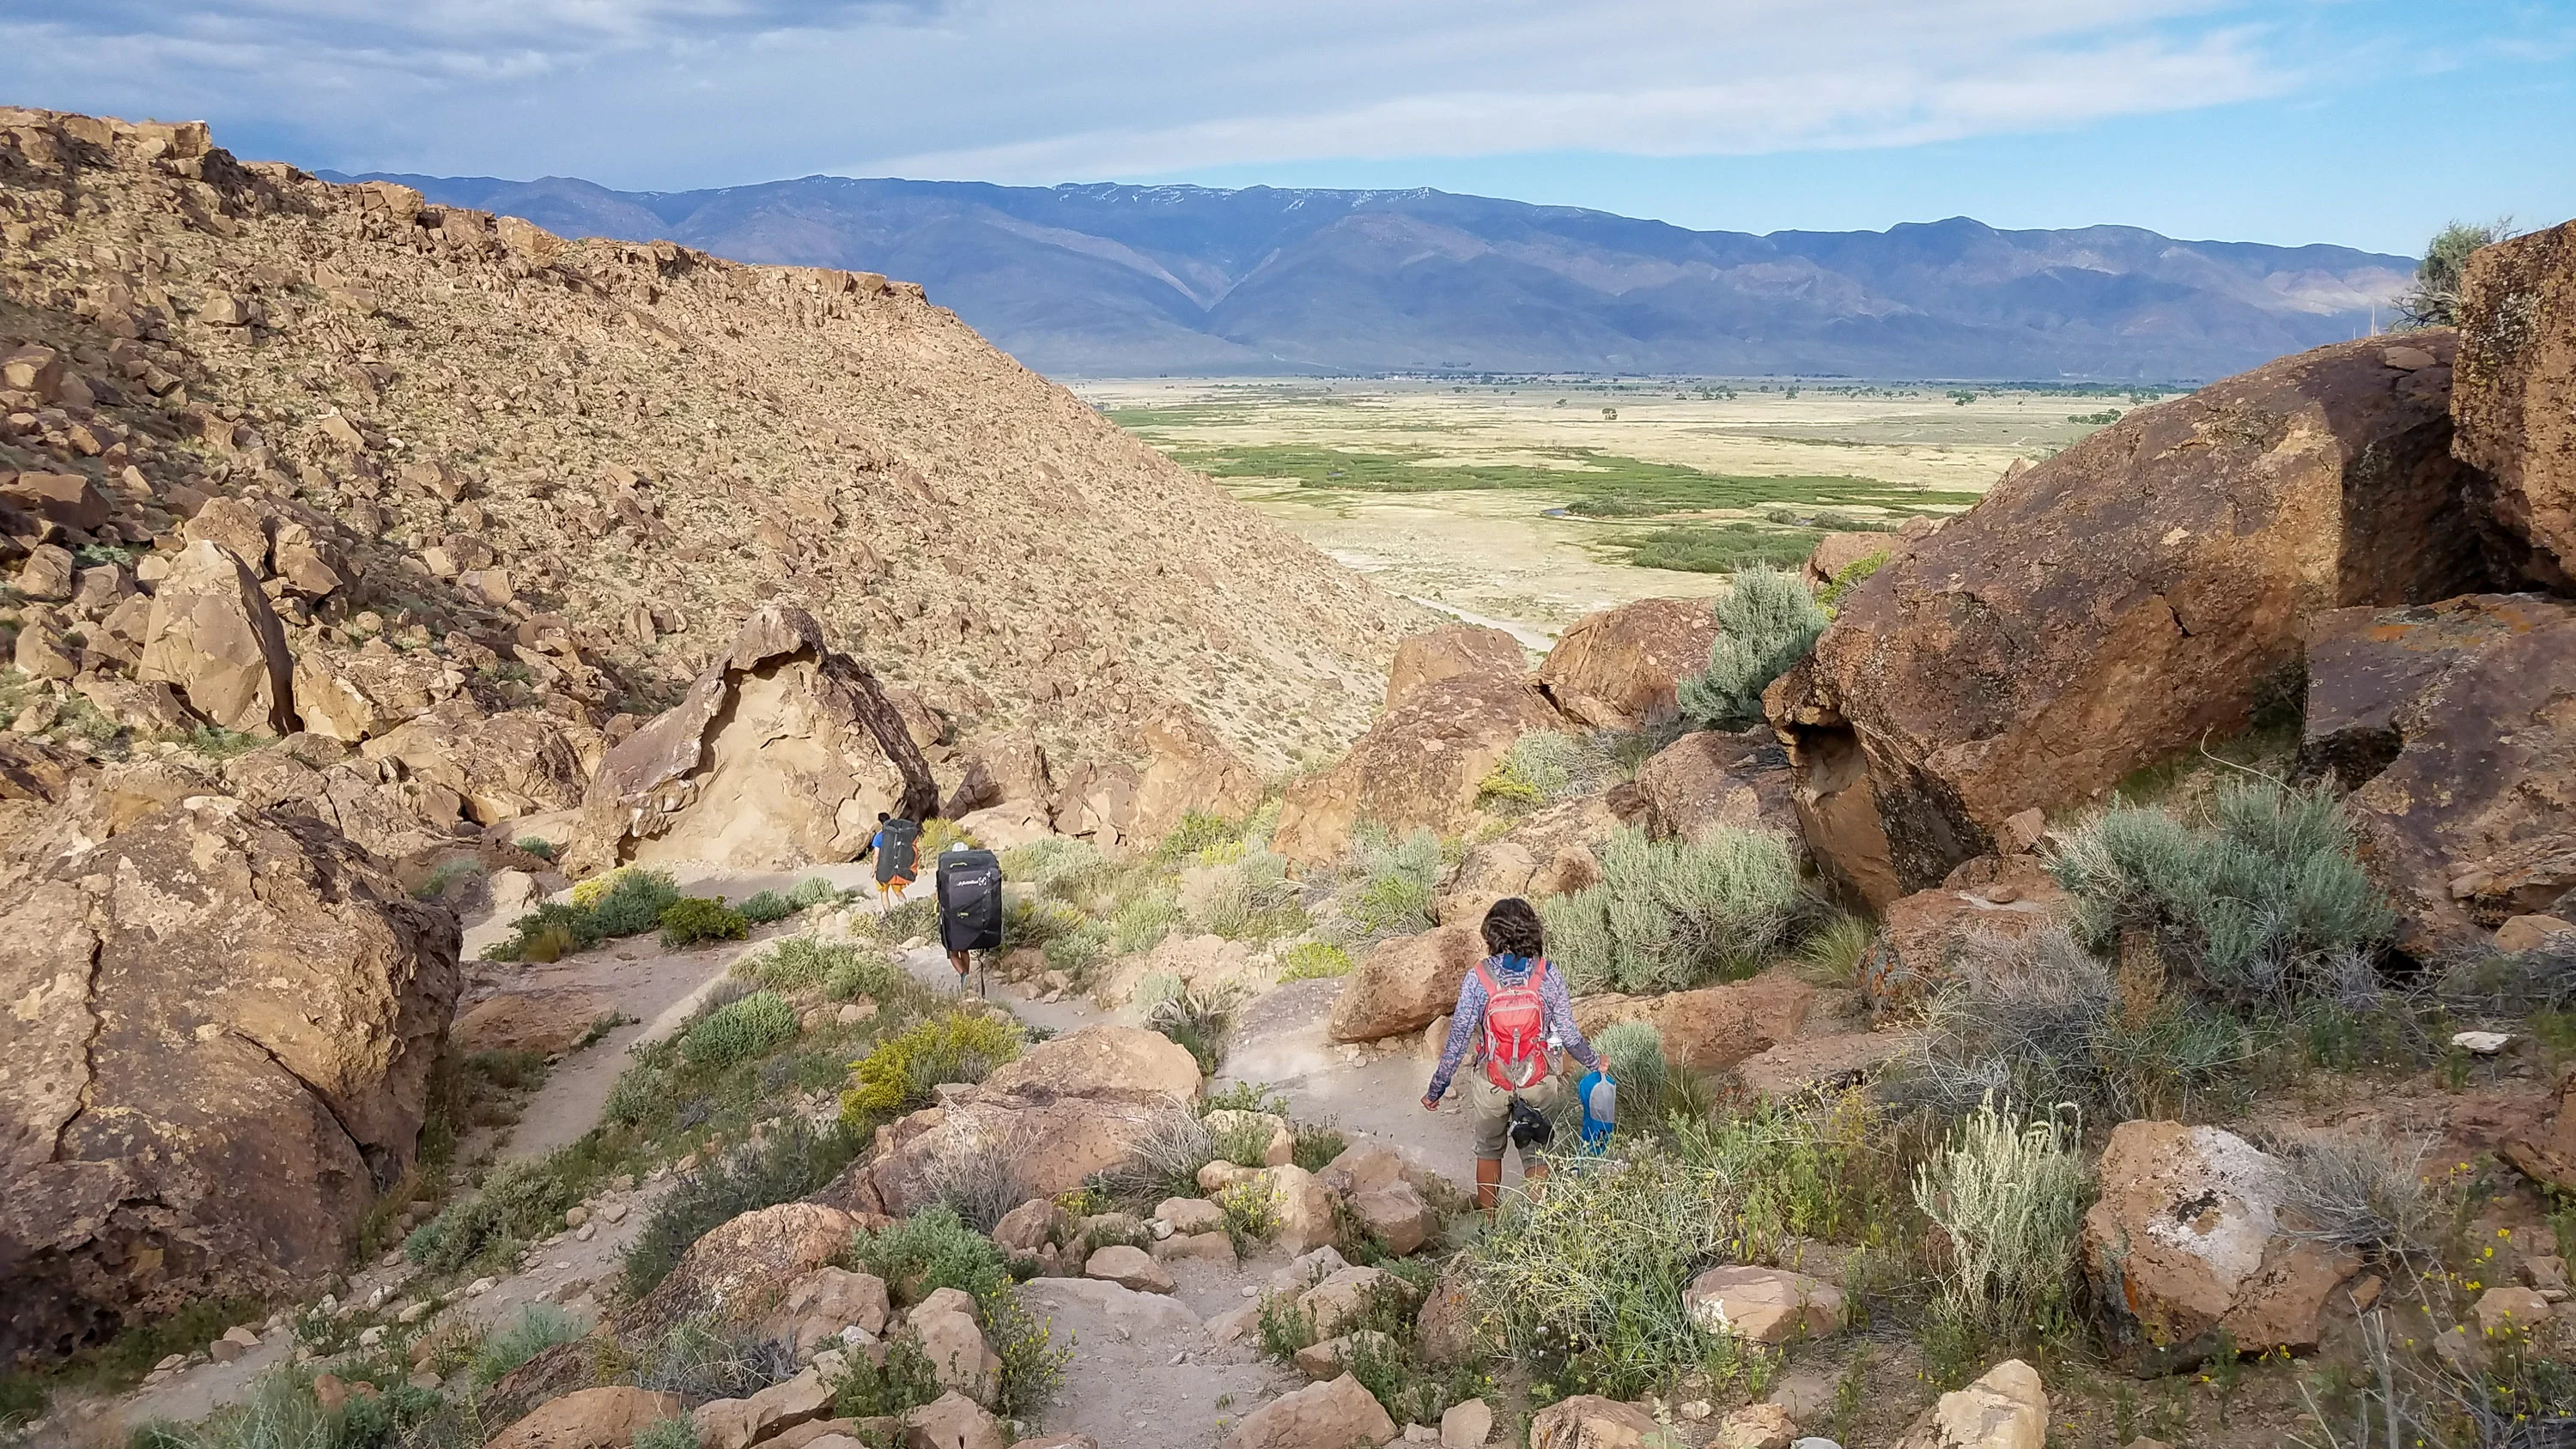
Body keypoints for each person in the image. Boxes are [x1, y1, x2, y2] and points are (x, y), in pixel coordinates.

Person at [1421, 896, 1605, 1216]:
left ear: (1491, 935)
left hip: (1493, 1080)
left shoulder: (1478, 978)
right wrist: (1594, 1062)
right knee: (1538, 1154)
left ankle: (1490, 1225)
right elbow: (1569, 1034)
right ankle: (1538, 1228)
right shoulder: (1548, 974)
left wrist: (1437, 1089)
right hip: (1538, 1079)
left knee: (1489, 1151)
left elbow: (1458, 1040)